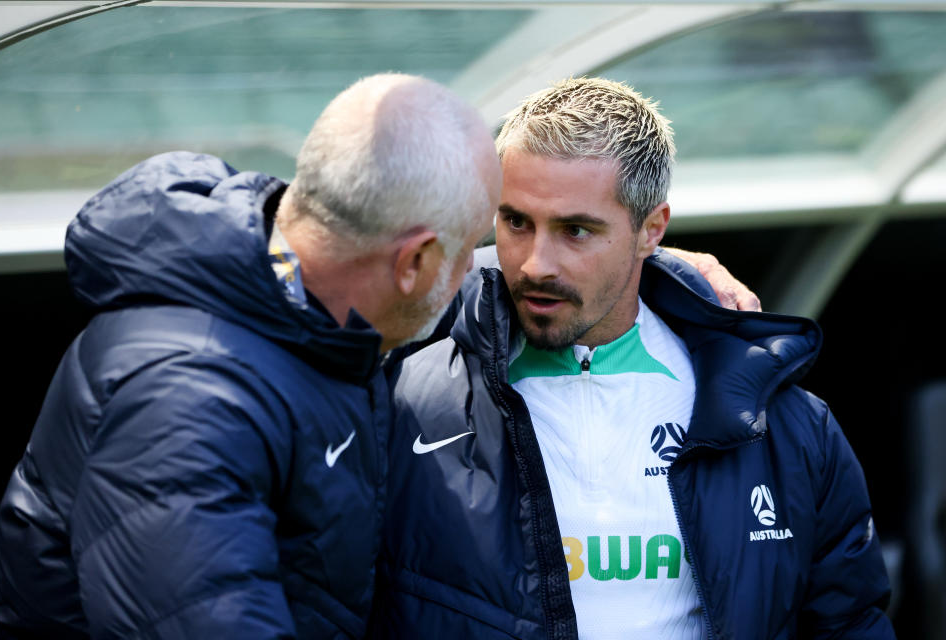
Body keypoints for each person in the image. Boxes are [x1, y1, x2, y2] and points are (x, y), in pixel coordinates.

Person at [371, 78, 895, 639]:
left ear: (652, 230)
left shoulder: (786, 428)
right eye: (517, 222)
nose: (534, 264)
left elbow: (850, 623)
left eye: (576, 230)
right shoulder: (403, 400)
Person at [0, 73, 499, 639]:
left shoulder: (307, 295)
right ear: (413, 263)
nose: (473, 271)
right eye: (471, 247)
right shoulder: (188, 410)